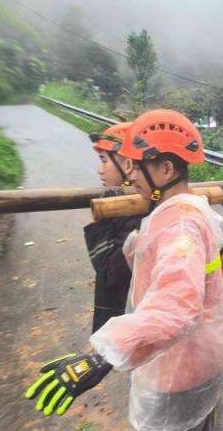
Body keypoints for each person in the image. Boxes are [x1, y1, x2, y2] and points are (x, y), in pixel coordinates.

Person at [25, 110, 223, 430]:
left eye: (137, 166)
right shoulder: (178, 211)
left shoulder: (180, 227)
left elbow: (174, 309)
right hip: (189, 358)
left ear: (165, 169)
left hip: (178, 368)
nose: (131, 176)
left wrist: (102, 356)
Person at [85, 122, 142, 333]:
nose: (100, 170)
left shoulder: (132, 210)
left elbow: (110, 274)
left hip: (131, 319)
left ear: (127, 163)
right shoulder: (141, 197)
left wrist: (105, 220)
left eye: (104, 160)